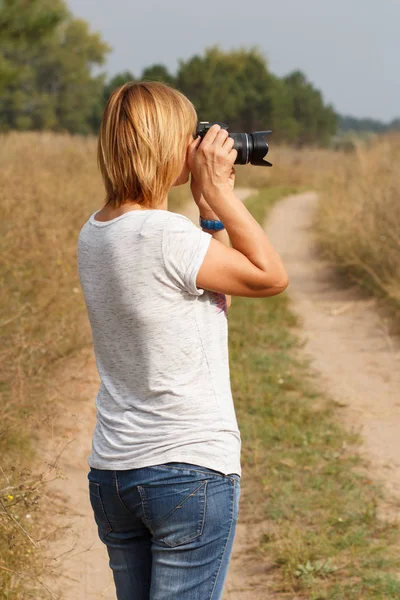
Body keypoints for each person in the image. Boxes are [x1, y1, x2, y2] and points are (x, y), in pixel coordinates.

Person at [77, 81, 288, 600]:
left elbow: (224, 292)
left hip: (115, 474)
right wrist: (219, 192)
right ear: (164, 144)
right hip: (187, 471)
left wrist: (207, 213)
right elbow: (269, 276)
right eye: (188, 135)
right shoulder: (166, 235)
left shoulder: (97, 231)